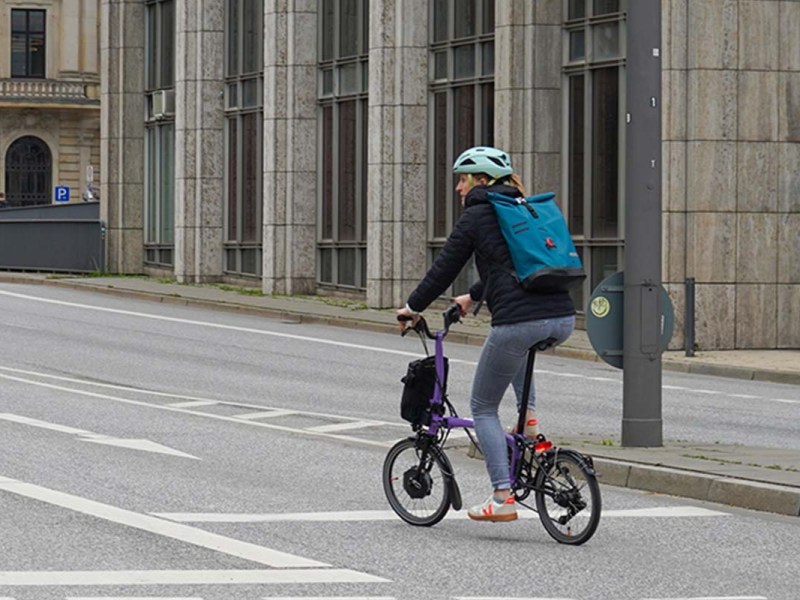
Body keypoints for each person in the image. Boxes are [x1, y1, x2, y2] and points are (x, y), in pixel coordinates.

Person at [396, 146, 576, 523]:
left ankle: (502, 495)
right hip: (562, 317)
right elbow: (510, 265)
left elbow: (444, 267)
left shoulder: (478, 214)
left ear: (481, 180)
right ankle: (528, 421)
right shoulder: (521, 208)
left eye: (463, 179)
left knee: (482, 407)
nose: (459, 188)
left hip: (519, 321)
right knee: (516, 352)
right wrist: (472, 296)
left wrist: (412, 308)